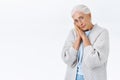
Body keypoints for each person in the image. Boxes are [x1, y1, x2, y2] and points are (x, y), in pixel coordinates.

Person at [61, 4, 109, 80]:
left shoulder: (102, 33)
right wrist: (78, 38)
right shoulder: (73, 33)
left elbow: (93, 61)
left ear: (89, 15)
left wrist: (84, 36)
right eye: (76, 20)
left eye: (81, 18)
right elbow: (68, 59)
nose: (80, 23)